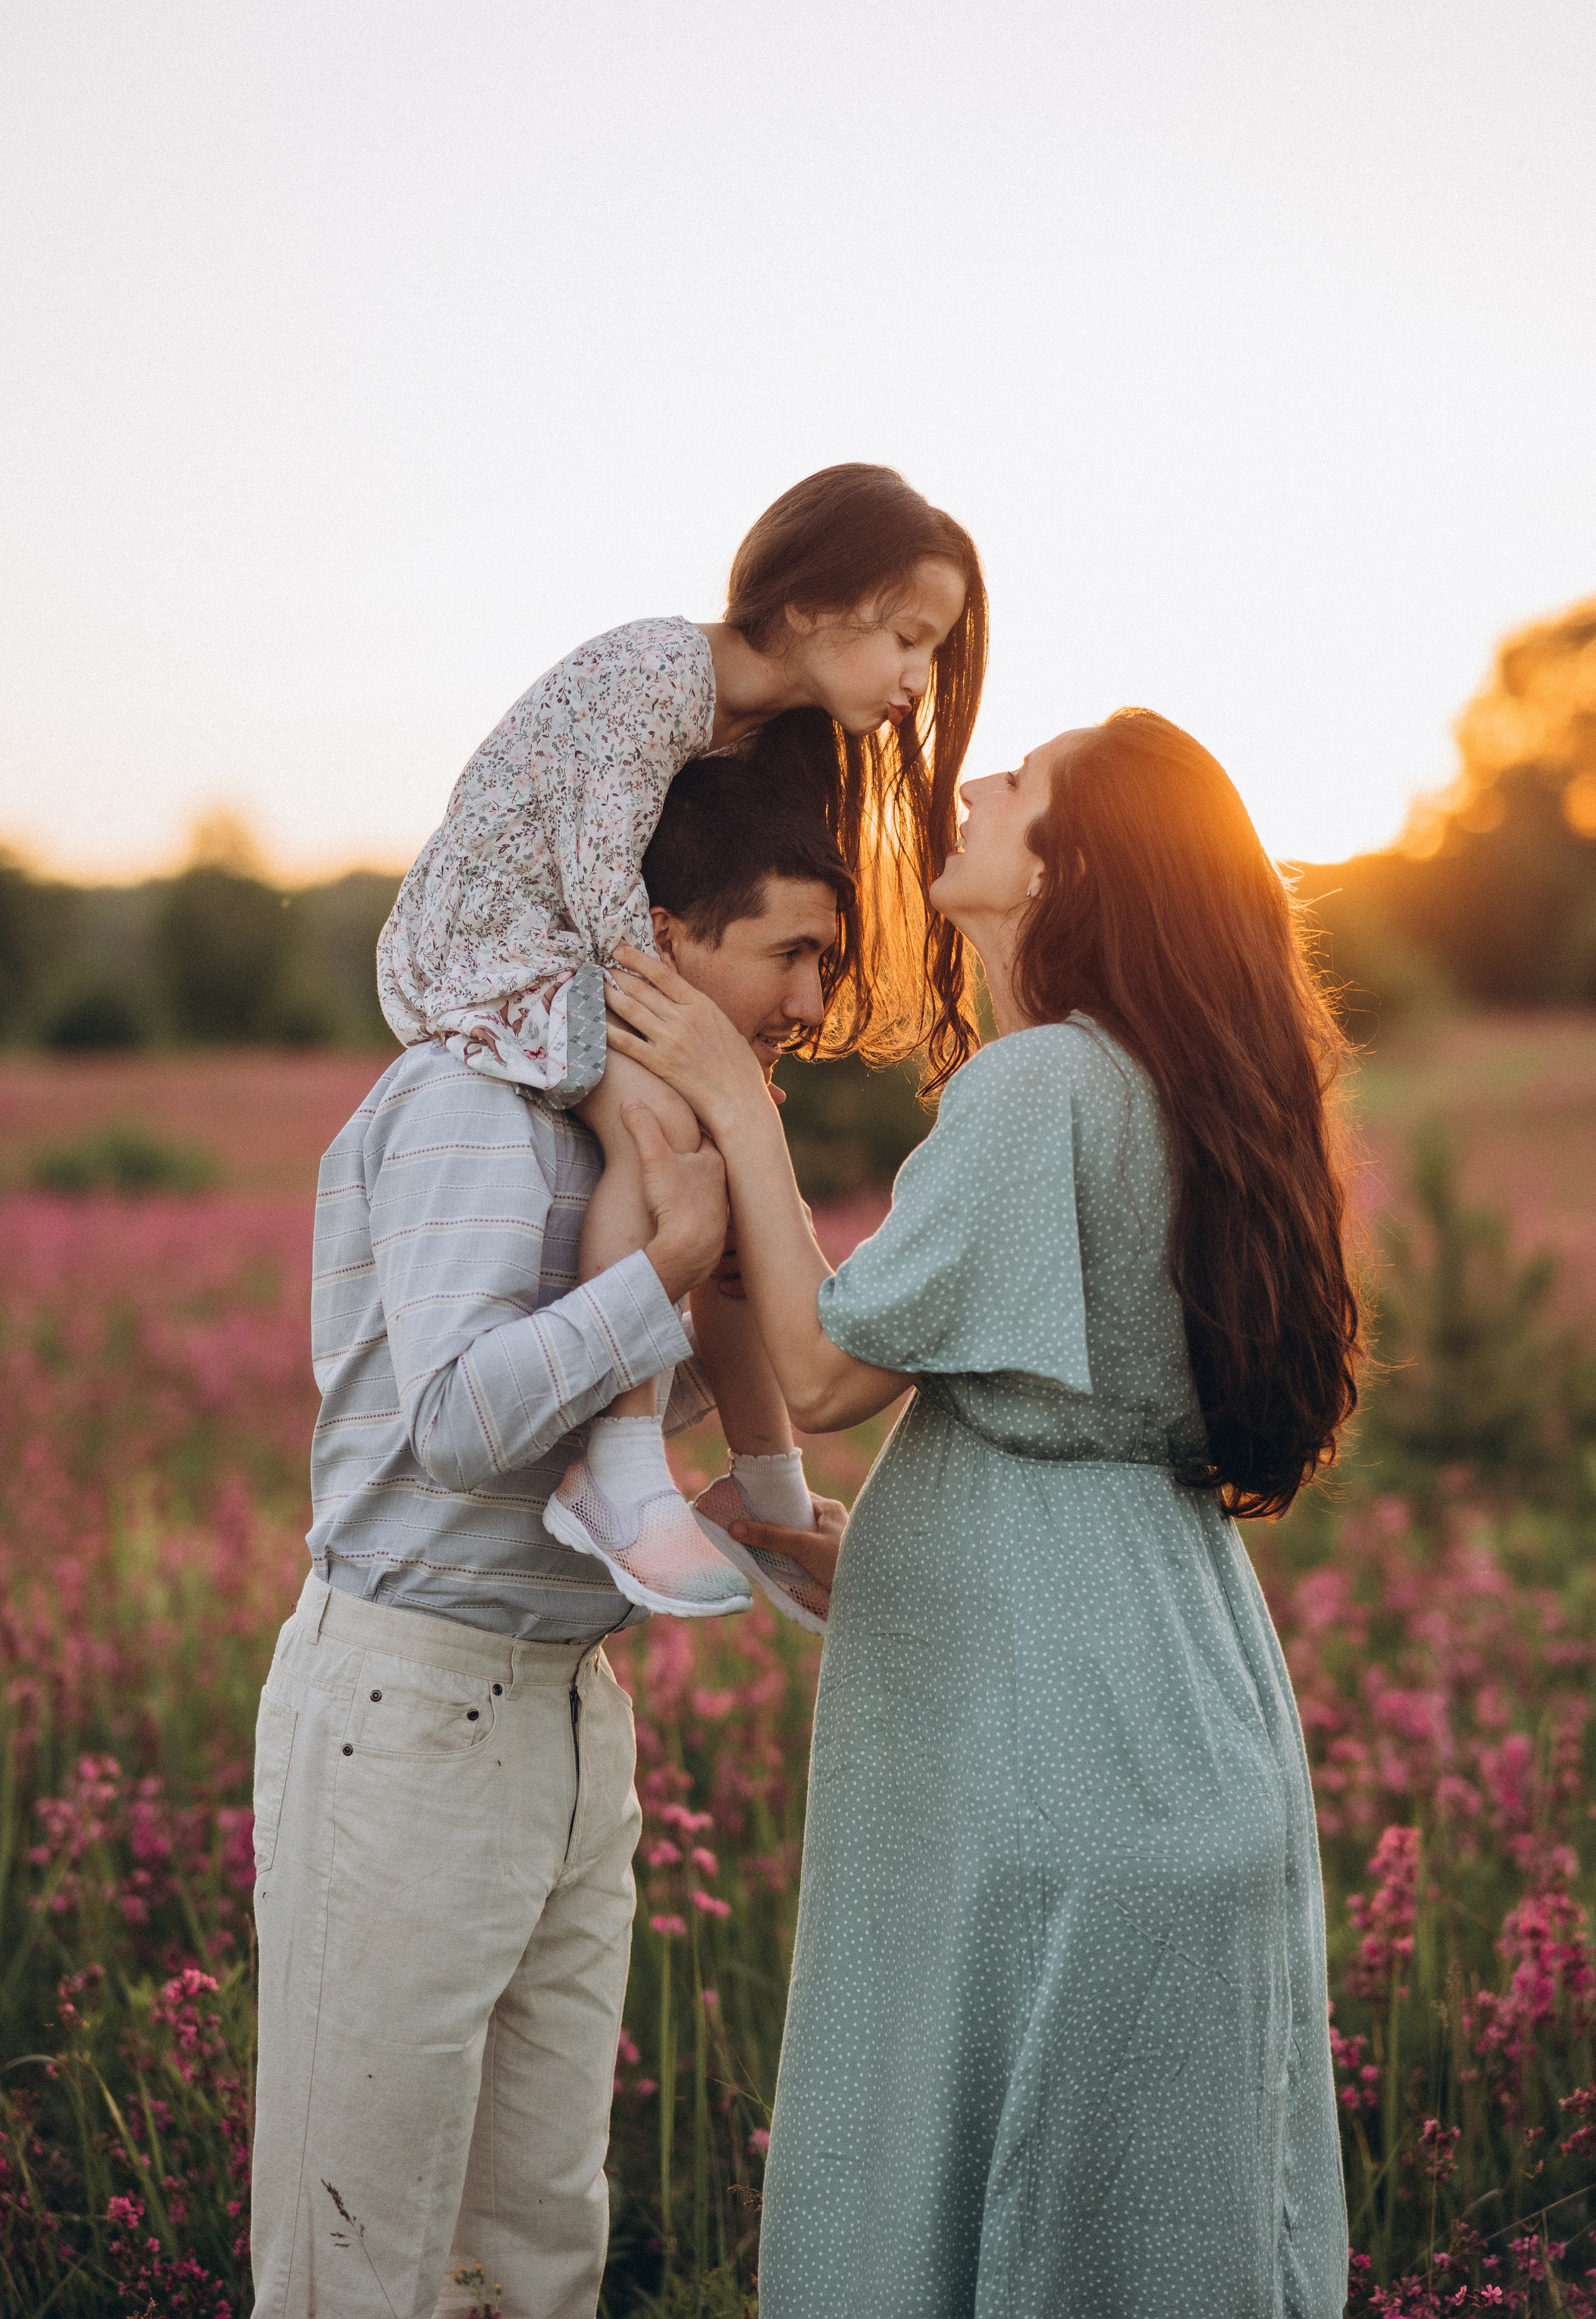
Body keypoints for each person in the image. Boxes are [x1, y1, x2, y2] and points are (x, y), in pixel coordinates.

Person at [605, 710, 1363, 2318]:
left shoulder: (1040, 1088)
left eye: (1020, 783)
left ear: (1069, 866)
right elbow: (1052, 1425)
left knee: (972, 2199)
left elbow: (814, 1378)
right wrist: (875, 1558)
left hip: (1054, 1776)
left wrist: (737, 1101)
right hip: (1176, 1705)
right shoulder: (1179, 1087)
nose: (977, 783)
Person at [251, 756, 853, 2319]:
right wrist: (661, 1271)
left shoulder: (659, 1141)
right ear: (658, 942)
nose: (809, 996)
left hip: (569, 1713)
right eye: (787, 951)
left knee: (536, 2242)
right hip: (410, 1704)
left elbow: (675, 1372)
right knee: (360, 2249)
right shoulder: (472, 1104)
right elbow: (454, 1423)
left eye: (828, 962)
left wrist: (749, 1486)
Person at [376, 462, 985, 1612]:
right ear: (808, 607)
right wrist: (691, 1051)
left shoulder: (768, 737)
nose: (918, 677)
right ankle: (618, 1469)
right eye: (908, 638)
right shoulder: (659, 671)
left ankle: (770, 1489)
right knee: (659, 1120)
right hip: (493, 940)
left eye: (932, 653)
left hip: (578, 947)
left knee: (738, 1166)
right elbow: (608, 884)